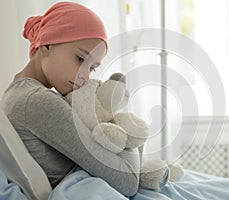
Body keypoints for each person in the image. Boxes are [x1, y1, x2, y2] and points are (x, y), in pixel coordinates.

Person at [0, 2, 140, 197]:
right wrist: (122, 123)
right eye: (80, 59)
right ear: (47, 45)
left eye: (92, 68)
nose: (85, 76)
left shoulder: (14, 93)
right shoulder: (38, 102)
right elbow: (128, 180)